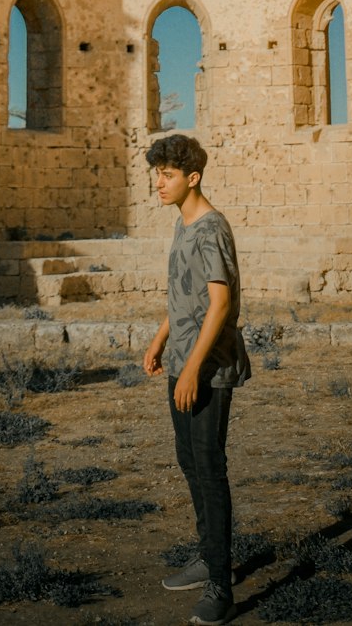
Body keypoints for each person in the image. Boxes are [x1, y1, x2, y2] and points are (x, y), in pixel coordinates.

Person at [143, 133, 250, 626]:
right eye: (156, 175)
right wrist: (161, 338)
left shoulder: (211, 228)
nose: (157, 184)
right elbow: (182, 294)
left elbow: (220, 301)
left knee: (209, 467)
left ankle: (220, 586)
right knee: (188, 460)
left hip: (208, 369)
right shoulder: (182, 225)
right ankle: (208, 555)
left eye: (166, 176)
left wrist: (191, 369)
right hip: (183, 361)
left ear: (193, 178)